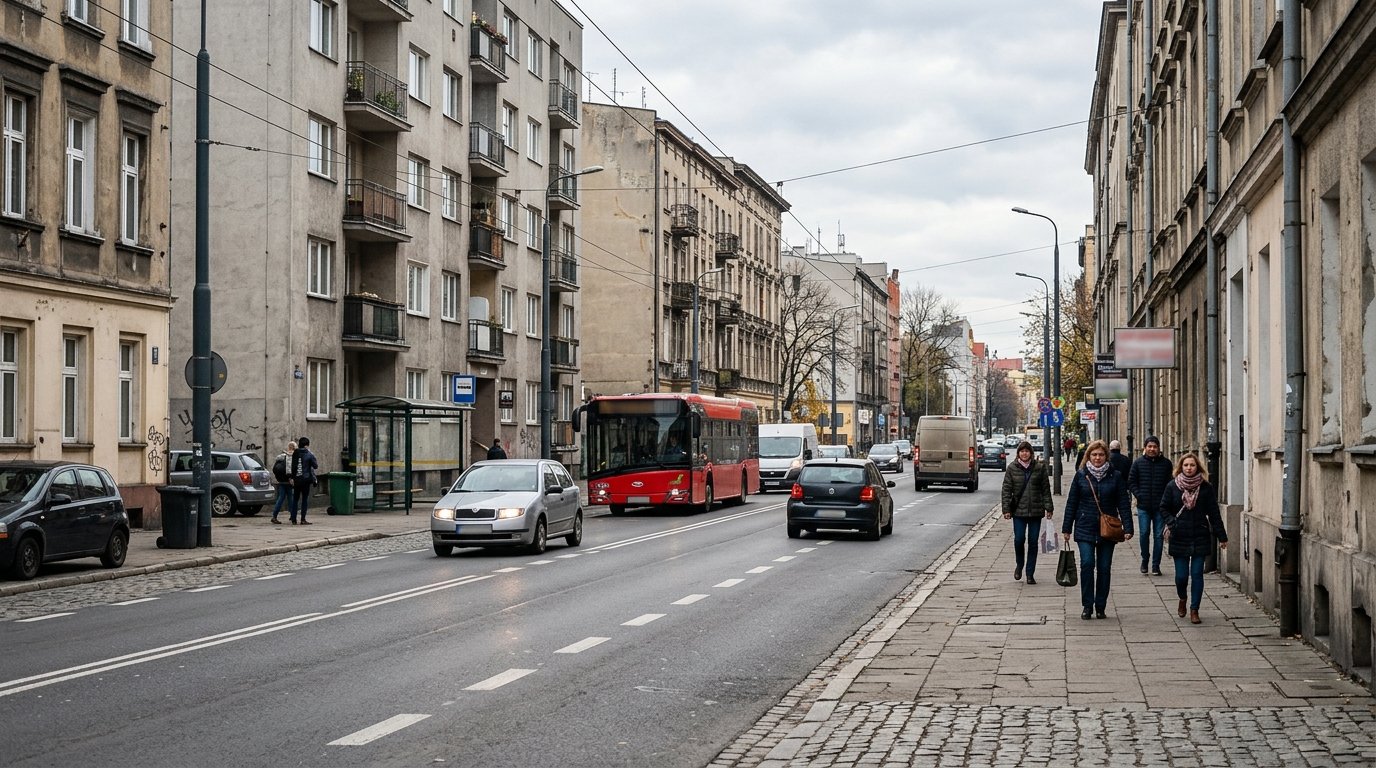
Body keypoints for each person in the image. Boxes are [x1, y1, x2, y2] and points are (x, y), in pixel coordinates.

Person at [1061, 439, 1133, 620]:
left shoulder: (1115, 476)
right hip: (1085, 526)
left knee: (1104, 568)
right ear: (1088, 457)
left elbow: (1123, 503)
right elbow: (1072, 503)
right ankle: (1087, 605)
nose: (1098, 458)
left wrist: (1128, 527)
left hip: (1108, 529)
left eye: (1101, 454)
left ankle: (1101, 605)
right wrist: (1066, 528)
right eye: (1094, 455)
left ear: (1106, 456)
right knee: (1087, 564)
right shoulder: (1081, 475)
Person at [1161, 452, 1228, 624]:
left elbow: (1214, 513)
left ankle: (1194, 609)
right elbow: (1164, 508)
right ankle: (1182, 598)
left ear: (1197, 467)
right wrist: (1171, 522)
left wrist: (1222, 536)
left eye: (1192, 465)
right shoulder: (1172, 486)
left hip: (1200, 534)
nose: (1189, 468)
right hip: (1179, 535)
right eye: (1186, 465)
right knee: (1181, 576)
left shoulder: (1206, 488)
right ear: (1180, 467)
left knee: (1197, 574)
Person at [1001, 441, 1054, 584]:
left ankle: (1030, 573)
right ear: (1018, 453)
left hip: (1036, 511)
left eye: (1027, 451)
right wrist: (1006, 509)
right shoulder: (1012, 468)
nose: (1024, 454)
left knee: (1033, 542)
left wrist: (1049, 507)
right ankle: (1019, 564)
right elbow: (1006, 489)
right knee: (1019, 540)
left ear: (1031, 453)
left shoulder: (1039, 468)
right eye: (1022, 451)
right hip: (1018, 511)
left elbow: (1045, 489)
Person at [1127, 435, 1173, 576]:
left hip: (1160, 507)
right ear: (1145, 448)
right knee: (1144, 533)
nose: (1152, 449)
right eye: (1150, 446)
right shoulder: (1138, 463)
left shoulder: (1166, 464)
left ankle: (1155, 565)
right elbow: (1131, 482)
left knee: (1158, 536)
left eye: (1155, 446)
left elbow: (1170, 483)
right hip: (1143, 506)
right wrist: (1139, 495)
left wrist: (1167, 499)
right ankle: (1144, 559)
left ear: (1159, 448)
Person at [290, 436, 319, 525]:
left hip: (297, 479)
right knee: (304, 499)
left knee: (295, 499)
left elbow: (293, 466)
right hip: (305, 479)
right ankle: (303, 519)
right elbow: (315, 466)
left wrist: (292, 477)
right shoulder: (309, 454)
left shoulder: (295, 453)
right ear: (306, 445)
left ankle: (293, 518)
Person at [270, 440, 296, 525]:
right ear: (294, 448)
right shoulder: (291, 457)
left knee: (281, 498)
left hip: (281, 481)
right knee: (290, 499)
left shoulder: (281, 456)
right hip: (288, 481)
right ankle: (292, 516)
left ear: (288, 447)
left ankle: (274, 516)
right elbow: (289, 469)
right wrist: (290, 478)